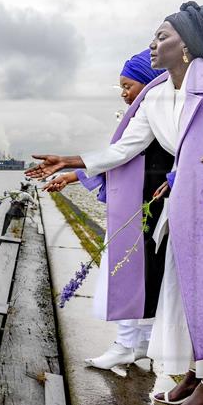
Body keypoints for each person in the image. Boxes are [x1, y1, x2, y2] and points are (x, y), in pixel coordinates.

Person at [26, 2, 203, 405]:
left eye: (162, 35)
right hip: (184, 209)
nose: (153, 43)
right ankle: (198, 374)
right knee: (183, 293)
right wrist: (71, 162)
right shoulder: (157, 94)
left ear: (188, 46)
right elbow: (126, 147)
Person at [45, 50, 171, 370]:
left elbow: (121, 153)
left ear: (147, 83)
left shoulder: (156, 112)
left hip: (144, 203)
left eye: (128, 85)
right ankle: (138, 343)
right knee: (143, 273)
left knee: (131, 272)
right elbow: (119, 156)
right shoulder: (154, 112)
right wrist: (73, 175)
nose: (124, 93)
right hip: (144, 202)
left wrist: (72, 167)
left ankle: (128, 344)